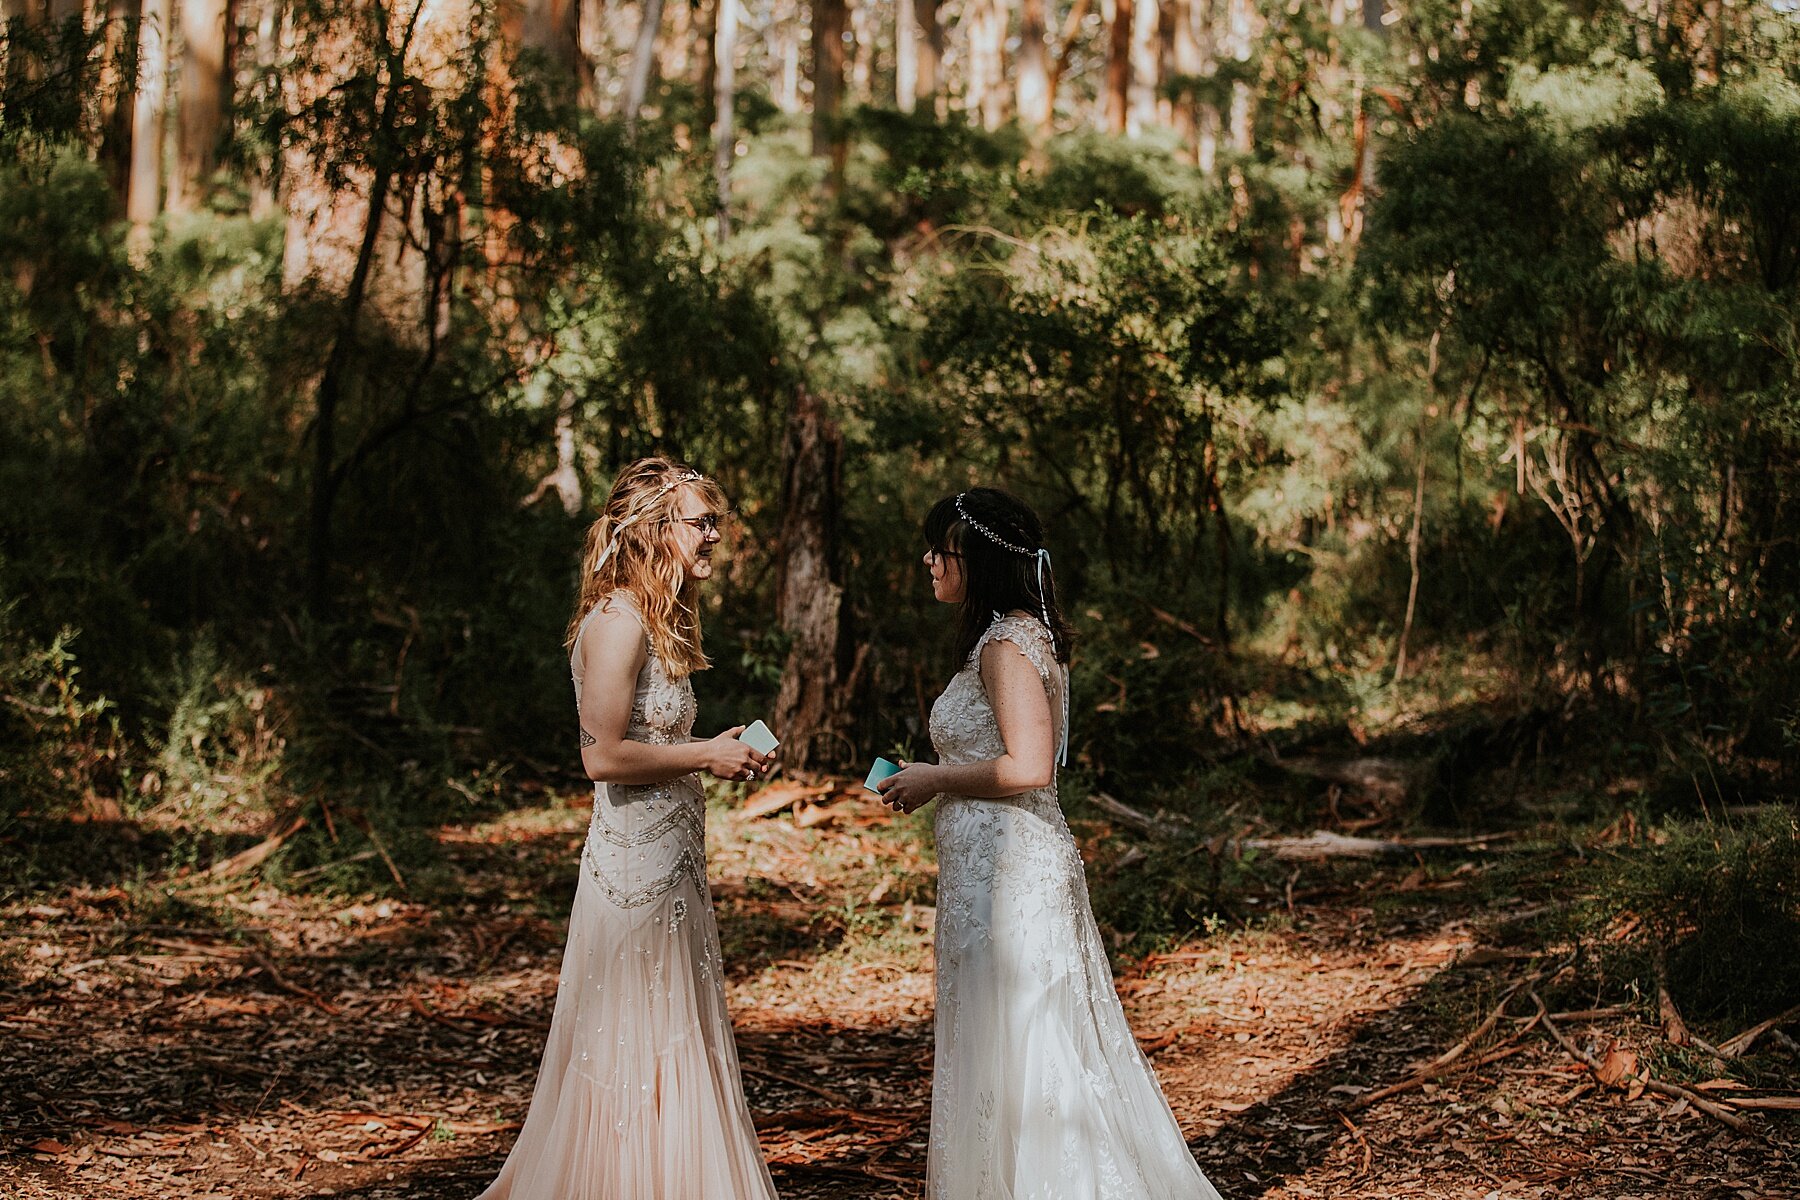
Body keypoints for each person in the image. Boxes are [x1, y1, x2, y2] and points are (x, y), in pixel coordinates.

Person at [878, 487, 1226, 1200]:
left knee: (1035, 1050)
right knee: (1012, 1045)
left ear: (976, 560)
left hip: (1010, 880)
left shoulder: (1007, 645)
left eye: (939, 549)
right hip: (996, 869)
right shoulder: (1011, 637)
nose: (928, 561)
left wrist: (934, 778)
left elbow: (1030, 766)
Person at [478, 457, 779, 1200]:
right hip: (633, 874)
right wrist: (706, 754)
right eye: (699, 521)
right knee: (634, 1033)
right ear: (653, 529)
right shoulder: (616, 621)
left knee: (676, 1028)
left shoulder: (657, 619)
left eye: (714, 520)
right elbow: (601, 755)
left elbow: (655, 742)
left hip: (673, 866)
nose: (714, 533)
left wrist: (723, 746)